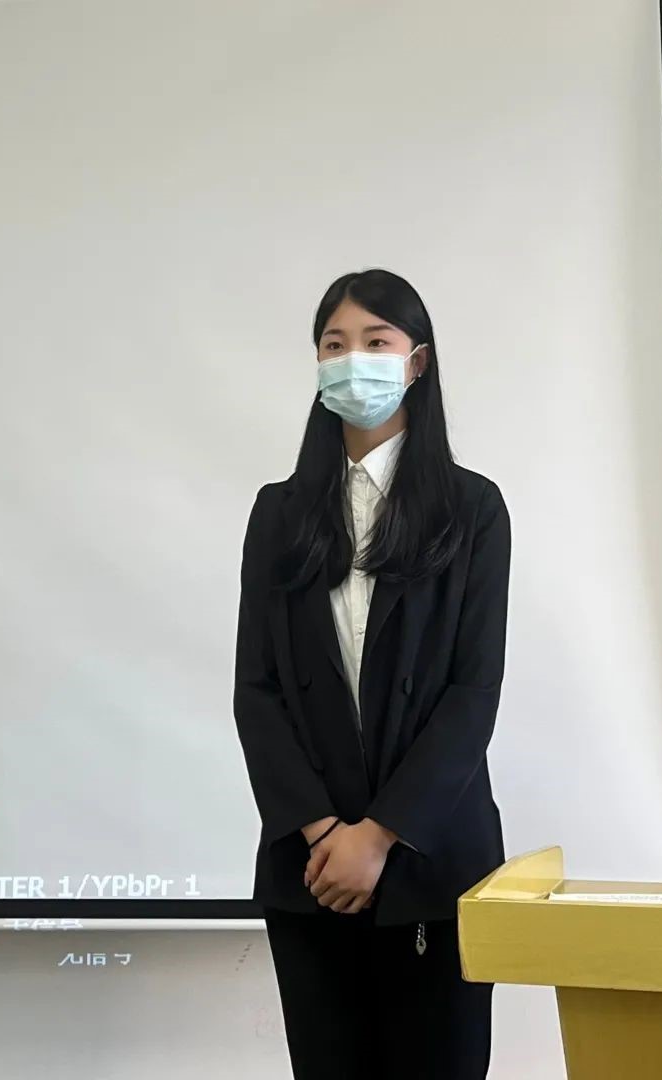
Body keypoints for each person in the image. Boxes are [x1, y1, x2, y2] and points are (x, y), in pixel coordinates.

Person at [233, 268, 510, 1080]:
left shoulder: (471, 510)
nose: (352, 359)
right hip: (311, 874)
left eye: (375, 341)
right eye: (334, 344)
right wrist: (326, 835)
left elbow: (473, 692)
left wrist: (380, 836)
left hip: (432, 862)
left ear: (416, 362)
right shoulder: (280, 514)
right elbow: (257, 692)